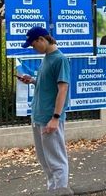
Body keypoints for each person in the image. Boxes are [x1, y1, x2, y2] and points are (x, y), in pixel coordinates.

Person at [17, 26, 71, 192]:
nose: (33, 49)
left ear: (42, 39)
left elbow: (63, 89)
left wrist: (55, 117)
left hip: (49, 118)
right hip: (39, 117)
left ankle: (60, 192)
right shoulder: (47, 58)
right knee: (45, 161)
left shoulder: (59, 59)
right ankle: (52, 191)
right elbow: (48, 84)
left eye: (33, 45)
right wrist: (32, 80)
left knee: (56, 161)